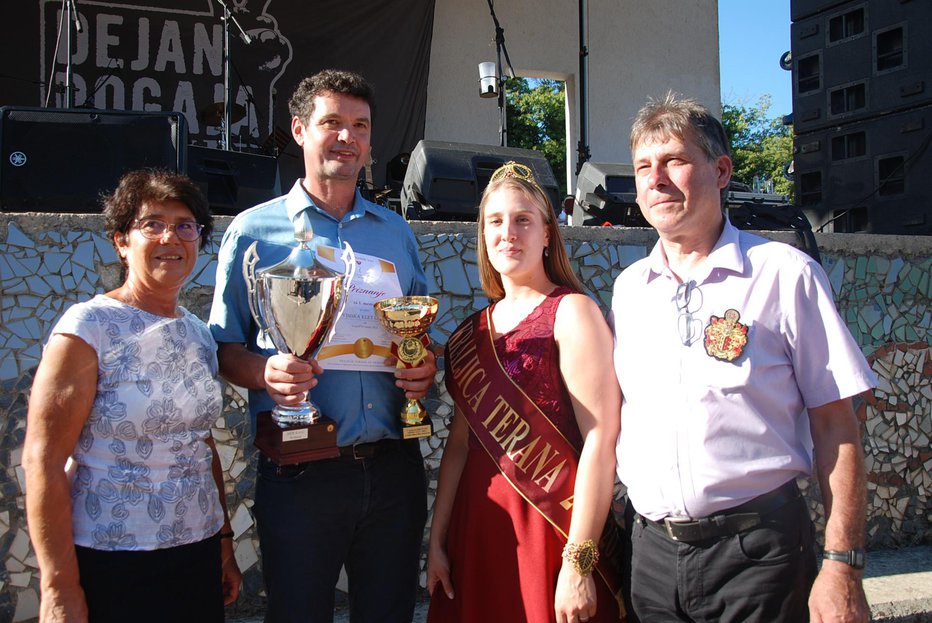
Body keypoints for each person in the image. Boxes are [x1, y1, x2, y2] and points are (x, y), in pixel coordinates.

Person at [610, 93, 876, 623]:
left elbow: (837, 425)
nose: (656, 179)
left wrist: (842, 564)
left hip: (759, 555)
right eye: (644, 167)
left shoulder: (785, 274)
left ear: (722, 169)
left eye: (675, 161)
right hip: (652, 561)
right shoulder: (629, 290)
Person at [208, 69, 435, 623]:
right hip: (300, 472)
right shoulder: (253, 231)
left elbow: (420, 334)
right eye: (332, 122)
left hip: (391, 467)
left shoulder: (395, 232)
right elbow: (223, 348)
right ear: (299, 130)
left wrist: (423, 365)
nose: (347, 137)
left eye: (360, 125)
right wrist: (267, 373)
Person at [23, 170, 241, 623]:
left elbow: (200, 446)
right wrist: (58, 587)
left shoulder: (198, 335)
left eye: (185, 225)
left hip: (195, 553)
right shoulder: (88, 329)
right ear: (122, 241)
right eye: (152, 224)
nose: (171, 237)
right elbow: (43, 459)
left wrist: (223, 542)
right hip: (113, 558)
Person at [427, 162, 624, 623]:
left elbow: (601, 439)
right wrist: (437, 542)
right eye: (495, 221)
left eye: (523, 220)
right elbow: (458, 447)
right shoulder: (467, 332)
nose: (508, 232)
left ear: (548, 234)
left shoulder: (573, 312)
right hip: (475, 531)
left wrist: (578, 564)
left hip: (552, 530)